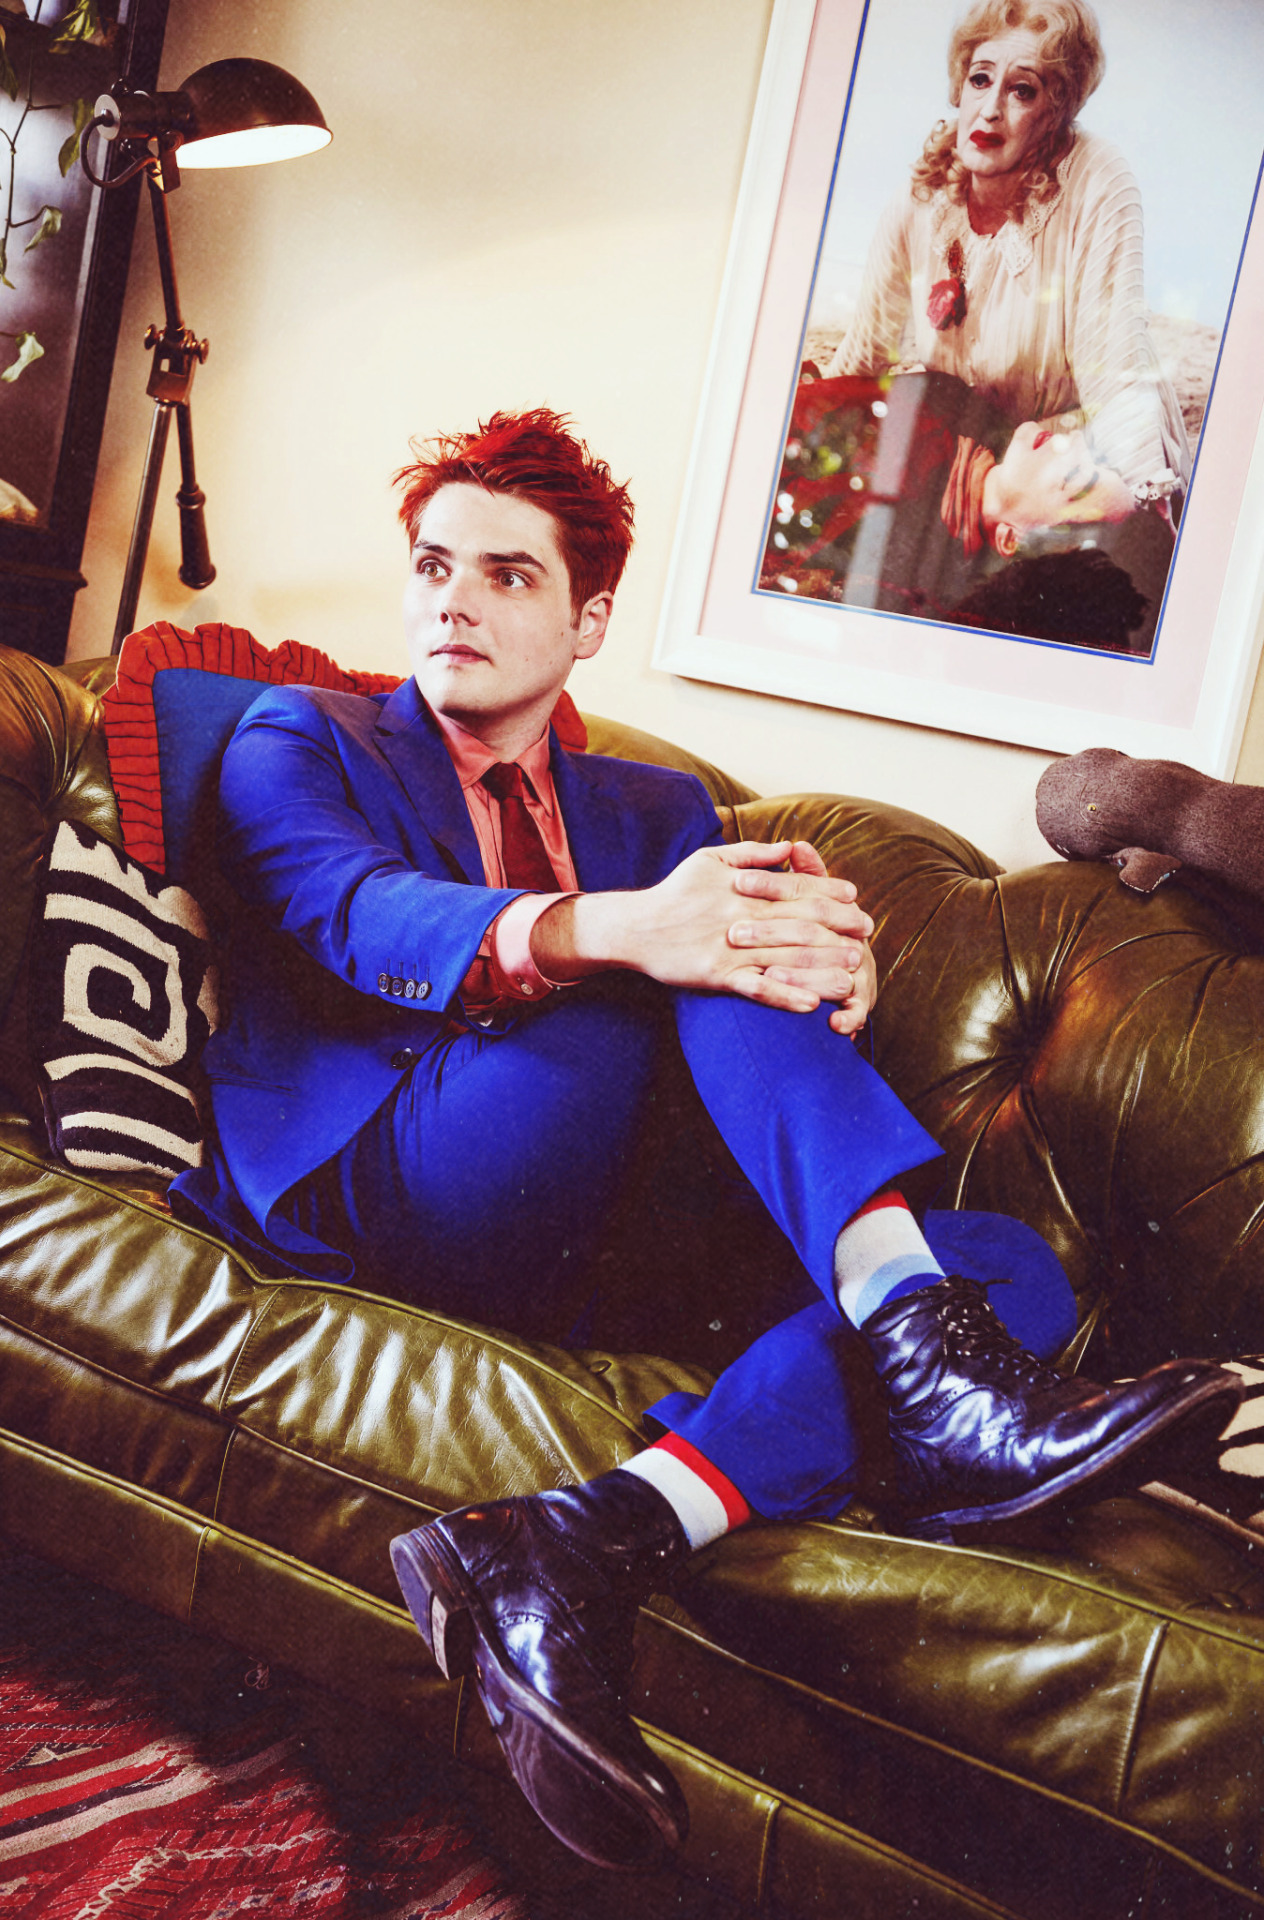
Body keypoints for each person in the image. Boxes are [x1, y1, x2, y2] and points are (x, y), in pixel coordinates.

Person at [170, 409, 1238, 1874]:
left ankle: (578, 1540)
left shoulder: (657, 807)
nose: (453, 601)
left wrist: (837, 985)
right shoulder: (306, 736)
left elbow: (731, 1011)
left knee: (1005, 1267)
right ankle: (920, 1350)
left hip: (594, 1228)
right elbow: (358, 917)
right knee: (701, 955)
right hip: (380, 1170)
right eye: (432, 566)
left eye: (506, 574)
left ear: (588, 619)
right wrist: (644, 930)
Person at [828, 0, 1188, 504]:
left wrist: (1144, 498)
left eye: (1022, 90)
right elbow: (863, 356)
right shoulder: (921, 199)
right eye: (980, 79)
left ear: (1055, 111)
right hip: (978, 473)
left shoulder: (1098, 180)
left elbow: (1116, 375)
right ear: (960, 86)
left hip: (1079, 466)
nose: (991, 109)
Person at [764, 366, 1167, 650]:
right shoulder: (954, 402)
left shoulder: (911, 578)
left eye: (1075, 476)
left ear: (1010, 538)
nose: (1074, 441)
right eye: (1092, 449)